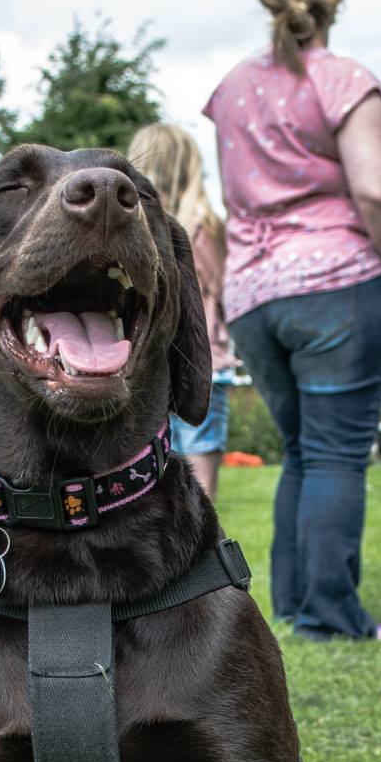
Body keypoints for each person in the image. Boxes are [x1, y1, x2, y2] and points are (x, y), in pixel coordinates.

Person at [206, 0, 381, 641]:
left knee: (301, 451)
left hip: (253, 295)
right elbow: (376, 191)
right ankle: (329, 614)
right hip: (337, 281)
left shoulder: (232, 89)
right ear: (335, 1)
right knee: (334, 456)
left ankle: (295, 603)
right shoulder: (344, 80)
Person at [125, 123, 237, 501]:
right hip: (203, 365)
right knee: (201, 480)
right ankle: (198, 555)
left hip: (141, 364)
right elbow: (226, 293)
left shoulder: (131, 233)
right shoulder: (206, 229)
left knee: (142, 475)